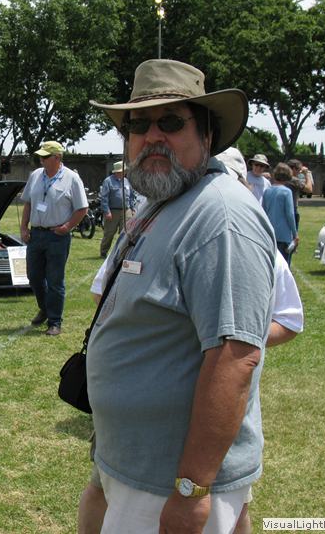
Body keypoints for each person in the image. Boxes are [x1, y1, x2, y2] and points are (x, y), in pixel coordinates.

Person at [87, 59, 276, 533]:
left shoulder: (221, 216)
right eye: (138, 125)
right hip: (138, 468)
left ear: (206, 133)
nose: (152, 136)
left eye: (171, 122)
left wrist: (192, 489)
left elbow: (234, 358)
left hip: (171, 483)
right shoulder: (165, 201)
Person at [19, 140, 88, 336]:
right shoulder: (35, 175)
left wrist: (67, 227)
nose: (41, 160)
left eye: (45, 156)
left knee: (55, 280)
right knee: (34, 277)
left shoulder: (72, 178)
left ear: (57, 158)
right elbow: (28, 203)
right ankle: (45, 308)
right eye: (40, 156)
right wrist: (24, 227)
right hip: (36, 234)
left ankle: (55, 321)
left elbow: (82, 208)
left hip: (57, 236)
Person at [98, 160, 137, 258]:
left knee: (126, 233)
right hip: (112, 211)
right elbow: (104, 198)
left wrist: (133, 208)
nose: (125, 172)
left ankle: (123, 253)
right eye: (123, 171)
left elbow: (132, 196)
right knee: (109, 233)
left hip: (126, 211)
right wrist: (107, 211)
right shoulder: (108, 181)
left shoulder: (127, 181)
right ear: (117, 172)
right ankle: (103, 252)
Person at [262, 163, 298, 265]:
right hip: (283, 234)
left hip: (270, 233)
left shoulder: (267, 191)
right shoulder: (287, 192)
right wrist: (295, 233)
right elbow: (290, 214)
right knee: (284, 263)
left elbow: (264, 211)